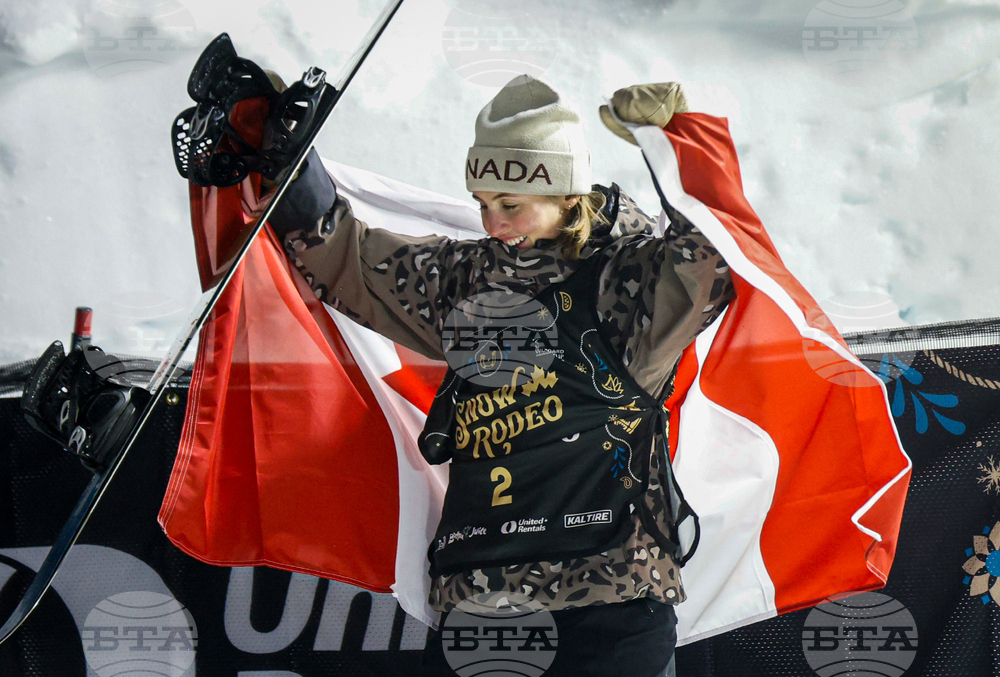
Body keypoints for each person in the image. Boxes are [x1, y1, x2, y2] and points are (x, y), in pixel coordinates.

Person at [265, 74, 734, 676]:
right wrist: (287, 162)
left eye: (510, 205)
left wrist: (674, 144)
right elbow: (347, 258)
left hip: (611, 604)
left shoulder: (630, 282)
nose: (492, 223)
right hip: (483, 603)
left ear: (569, 195)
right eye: (484, 204)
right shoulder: (466, 280)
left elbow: (714, 257)